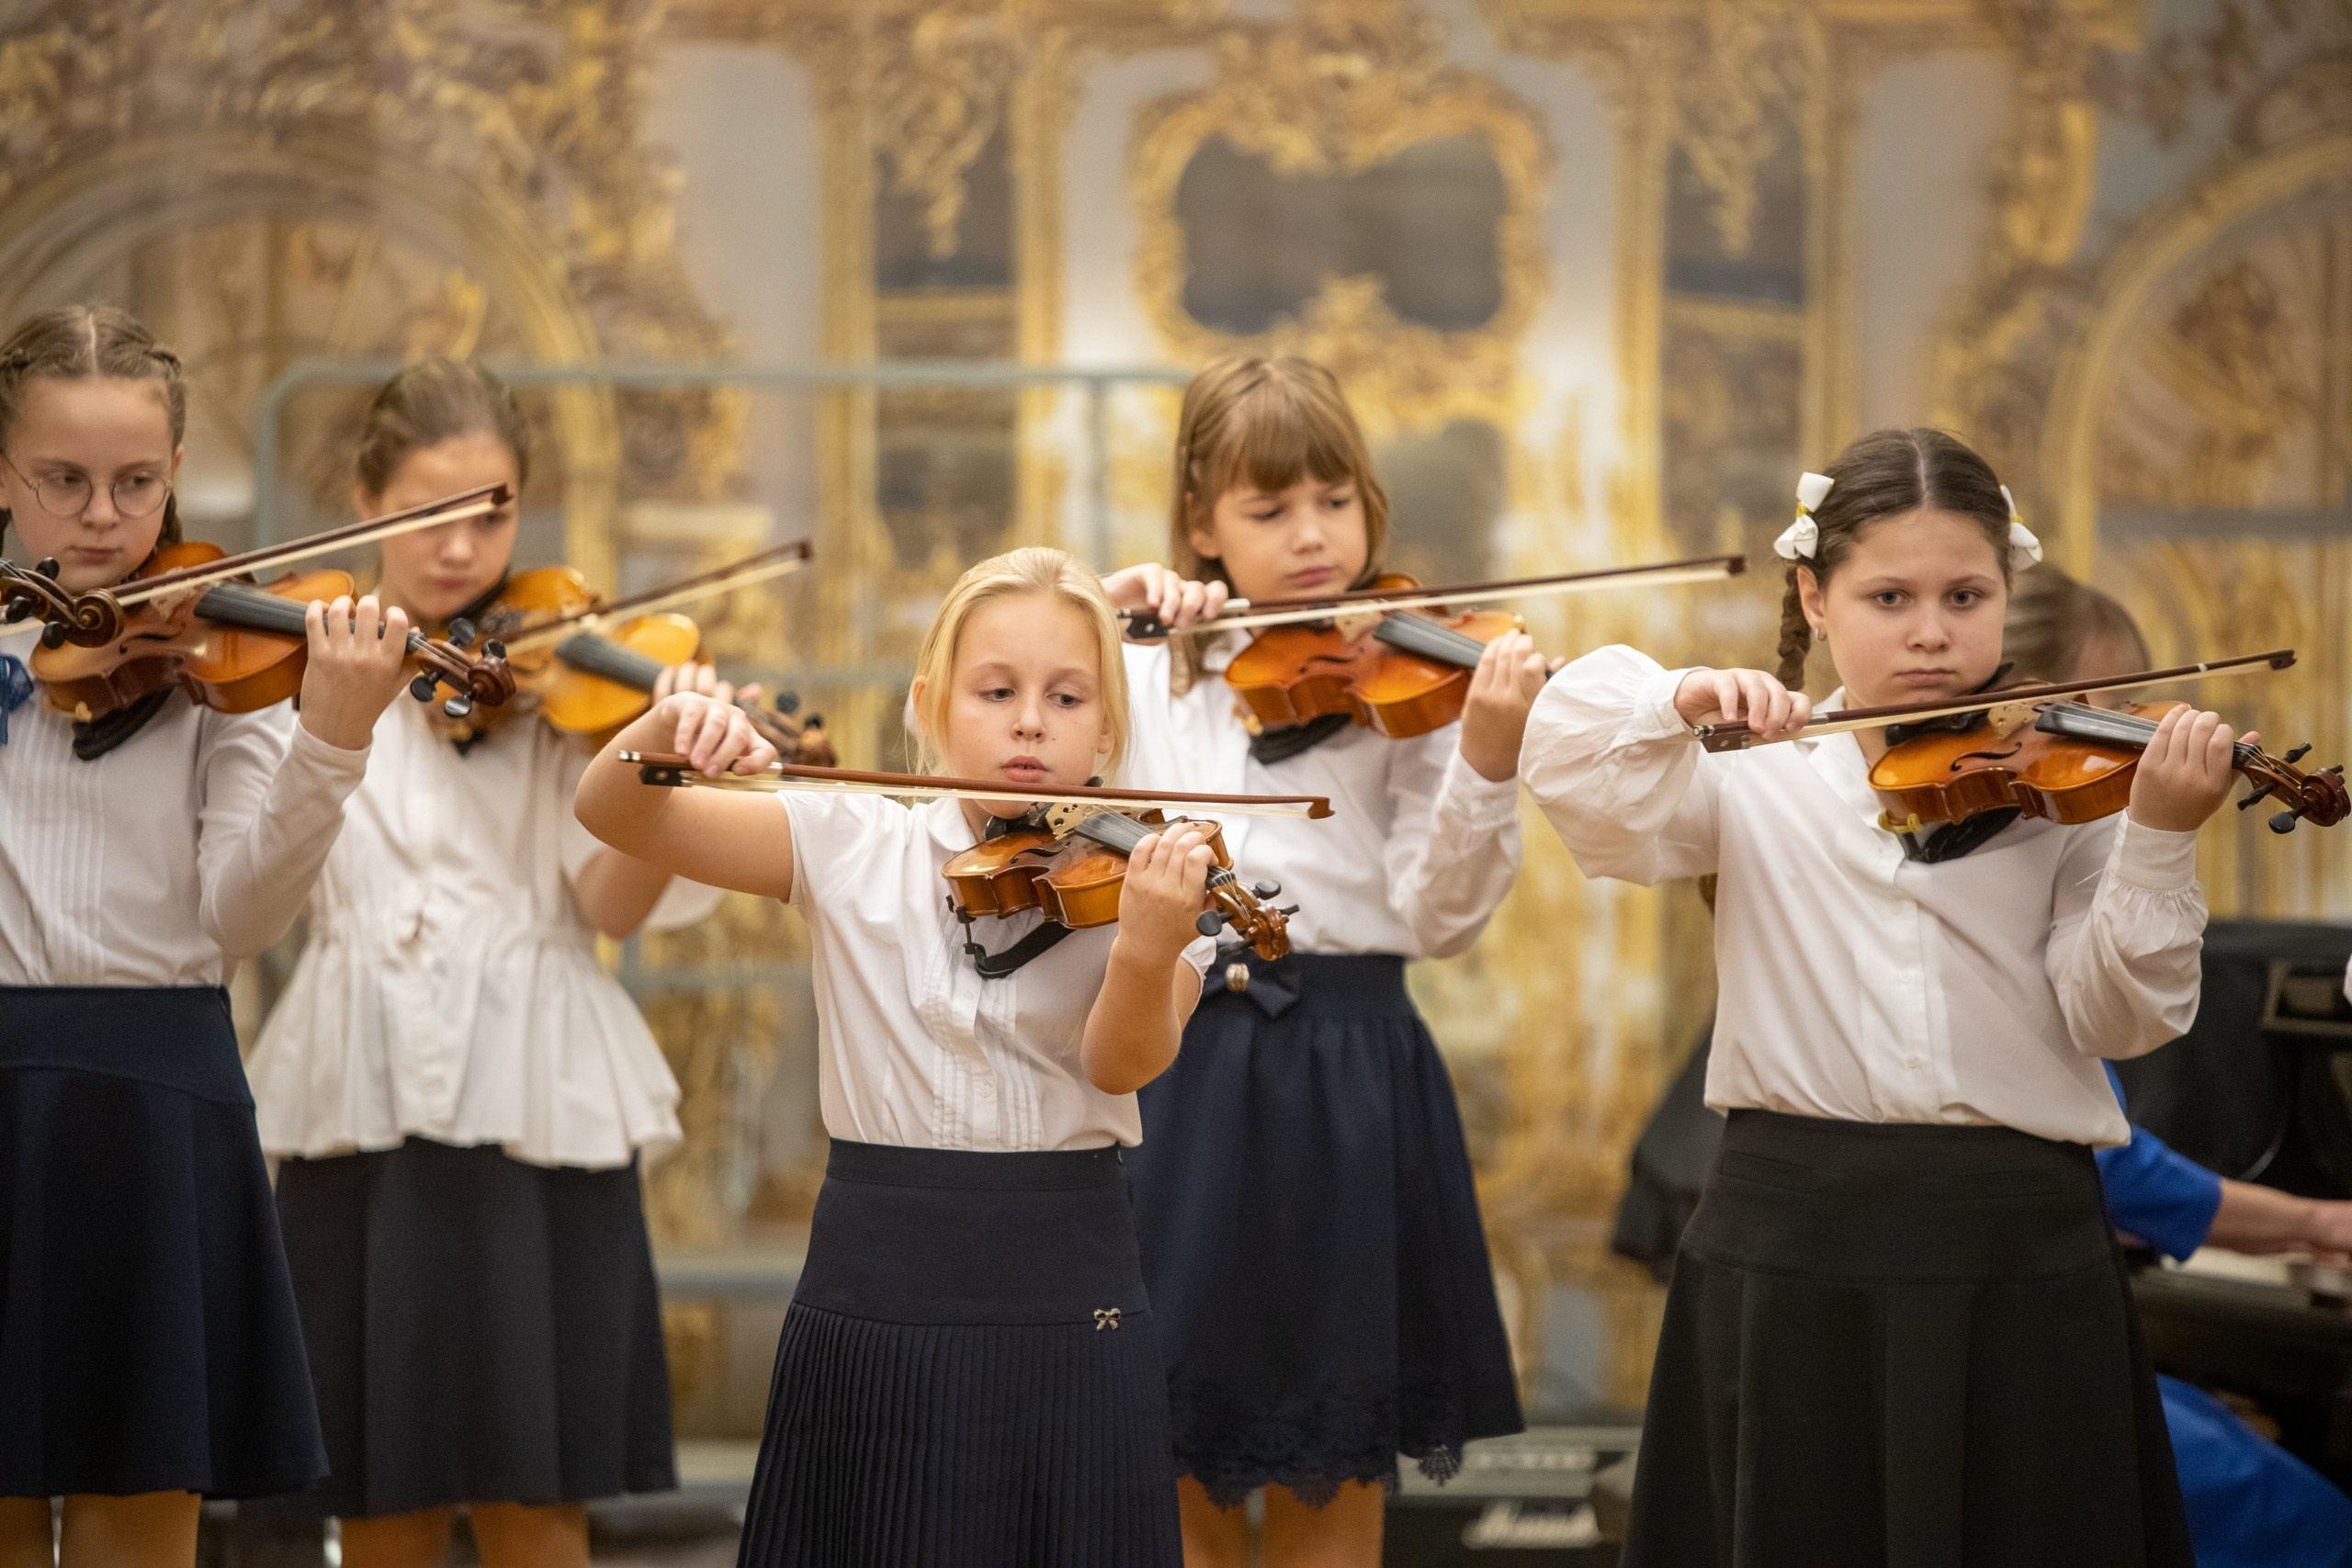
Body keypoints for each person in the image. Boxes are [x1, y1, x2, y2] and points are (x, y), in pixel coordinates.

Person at [1520, 427, 2243, 1565]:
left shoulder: (2073, 791)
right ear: (1812, 596)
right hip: (1794, 1242)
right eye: (1888, 595)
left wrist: (2156, 837)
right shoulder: (1749, 778)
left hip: (2018, 1246)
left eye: (1965, 595)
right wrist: (1676, 698)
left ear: (2007, 595)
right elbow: (1569, 766)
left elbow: (2121, 1021)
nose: (1929, 632)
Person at [576, 546, 1221, 1568]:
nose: (1027, 722)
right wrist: (661, 732)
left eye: (1065, 698)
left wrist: (1145, 946)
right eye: (995, 690)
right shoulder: (849, 843)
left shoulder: (1148, 881)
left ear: (1108, 730)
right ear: (929, 704)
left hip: (1069, 1292)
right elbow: (613, 813)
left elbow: (1119, 1065)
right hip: (878, 1287)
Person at [240, 359, 726, 1568]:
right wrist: (333, 719)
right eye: (428, 512)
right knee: (376, 1492)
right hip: (363, 1090)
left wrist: (660, 767)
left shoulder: (566, 675)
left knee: (535, 1490)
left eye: (493, 512)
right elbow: (259, 896)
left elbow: (607, 899)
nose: (463, 547)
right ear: (364, 500)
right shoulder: (299, 673)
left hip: (536, 1096)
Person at [1102, 355, 1541, 1568]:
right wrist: (1103, 603)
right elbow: (1016, 730)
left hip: (1348, 1075)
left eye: (1334, 502)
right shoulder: (1141, 664)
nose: (1312, 538)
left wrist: (1488, 753)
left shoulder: (1408, 679)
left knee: (1333, 1477)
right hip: (1177, 1070)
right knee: (1172, 1455)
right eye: (1268, 508)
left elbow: (1440, 913)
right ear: (1200, 524)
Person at [0, 304, 414, 1567]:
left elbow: (242, 912)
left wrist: (331, 734)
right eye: (62, 480)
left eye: (135, 480)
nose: (102, 517)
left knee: (139, 1521)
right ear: (4, 475)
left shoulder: (217, 659)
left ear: (175, 473)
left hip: (154, 1101)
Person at [2009, 565, 2352, 1568]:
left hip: (2055, 1316)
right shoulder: (1994, 868)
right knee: (2303, 1524)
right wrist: (2321, 1222)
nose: (2132, 739)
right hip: (2020, 1335)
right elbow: (2110, 1164)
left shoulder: (2073, 866)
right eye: (2110, 708)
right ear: (2017, 697)